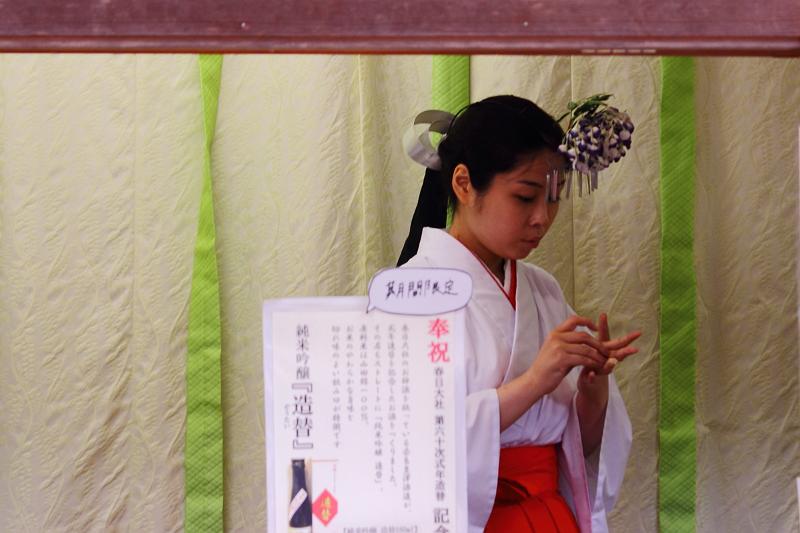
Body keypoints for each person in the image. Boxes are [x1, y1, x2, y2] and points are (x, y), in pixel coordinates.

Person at [398, 95, 640, 532]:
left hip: (551, 516)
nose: (542, 219)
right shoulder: (410, 295)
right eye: (526, 197)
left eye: (553, 200)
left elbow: (576, 449)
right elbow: (409, 447)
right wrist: (534, 383)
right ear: (464, 184)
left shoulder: (542, 289)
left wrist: (593, 391)